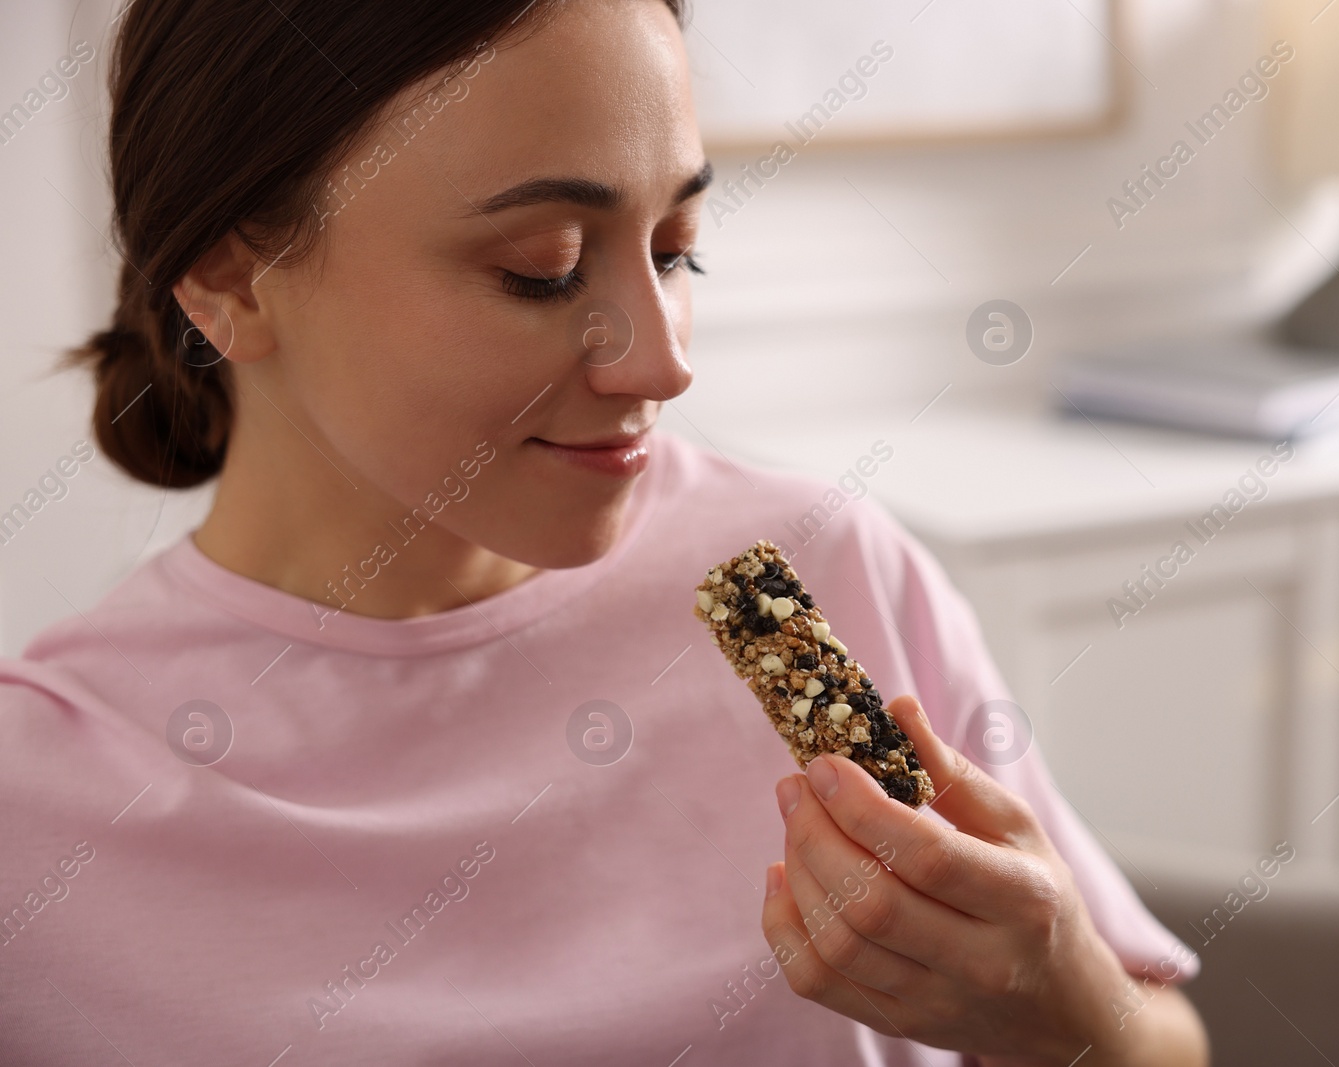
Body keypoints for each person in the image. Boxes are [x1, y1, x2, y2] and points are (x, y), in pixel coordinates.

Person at [0, 1, 1209, 1063]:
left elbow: (1163, 1046)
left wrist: (1068, 1015)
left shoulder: (829, 568)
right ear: (233, 281)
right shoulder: (36, 793)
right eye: (545, 267)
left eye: (677, 248)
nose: (665, 360)